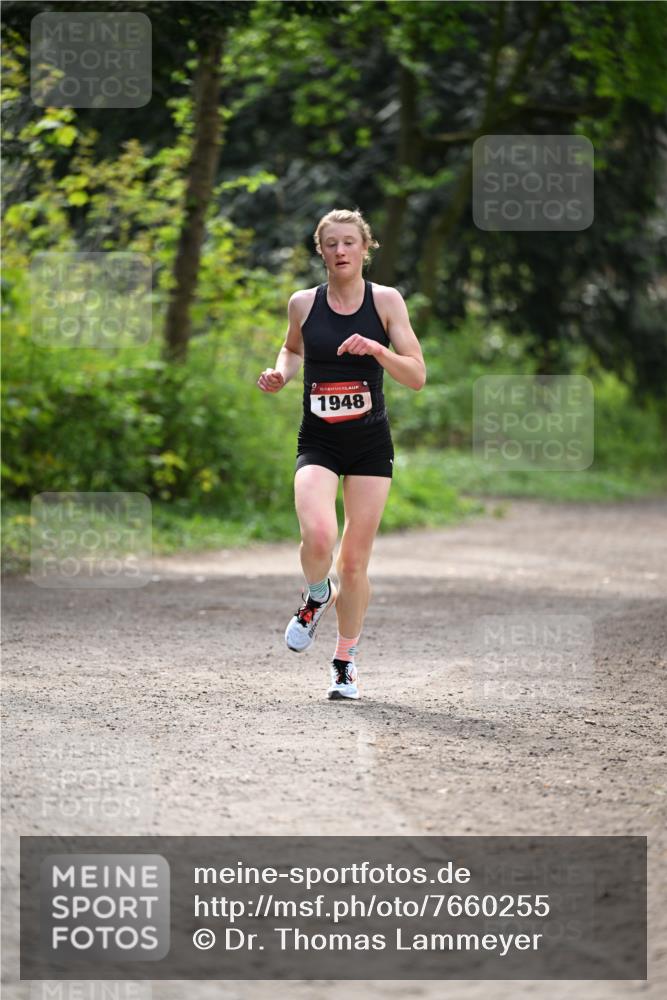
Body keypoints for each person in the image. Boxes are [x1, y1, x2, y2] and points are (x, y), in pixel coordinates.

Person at [257, 208, 425, 701]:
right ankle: (314, 596)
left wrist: (377, 349)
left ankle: (344, 662)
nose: (341, 251)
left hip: (370, 444)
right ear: (321, 250)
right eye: (331, 244)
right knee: (317, 535)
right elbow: (291, 350)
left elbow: (416, 376)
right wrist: (280, 373)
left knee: (353, 564)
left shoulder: (387, 301)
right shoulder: (303, 304)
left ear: (365, 247)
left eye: (349, 242)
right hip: (320, 439)